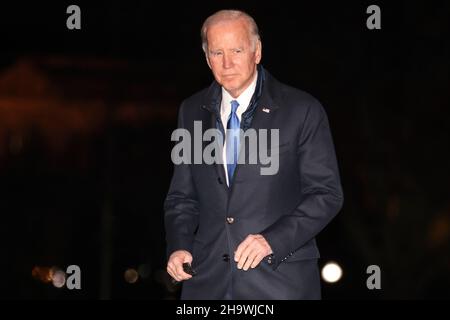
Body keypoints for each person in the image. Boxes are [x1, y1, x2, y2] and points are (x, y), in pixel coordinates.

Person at [164, 9, 343, 300]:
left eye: (237, 50)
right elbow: (181, 198)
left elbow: (326, 194)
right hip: (206, 284)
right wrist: (179, 245)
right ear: (207, 57)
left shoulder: (302, 110)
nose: (228, 63)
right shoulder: (190, 111)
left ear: (257, 51)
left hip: (280, 283)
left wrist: (272, 240)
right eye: (217, 52)